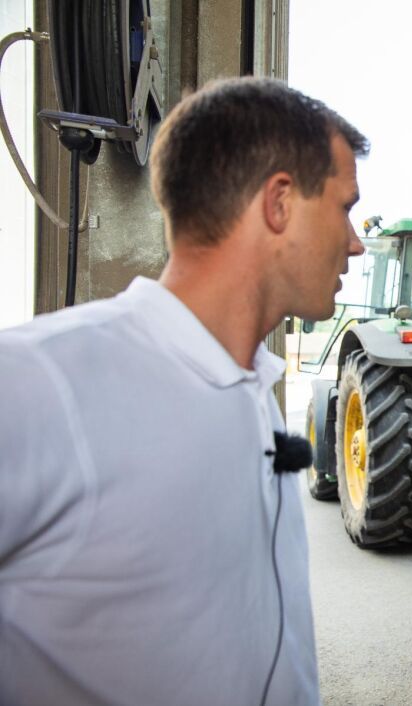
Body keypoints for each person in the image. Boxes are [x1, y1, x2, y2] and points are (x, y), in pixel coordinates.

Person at [0, 77, 367, 705]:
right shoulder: (40, 384)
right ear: (279, 203)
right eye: (344, 208)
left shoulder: (253, 392)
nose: (356, 243)